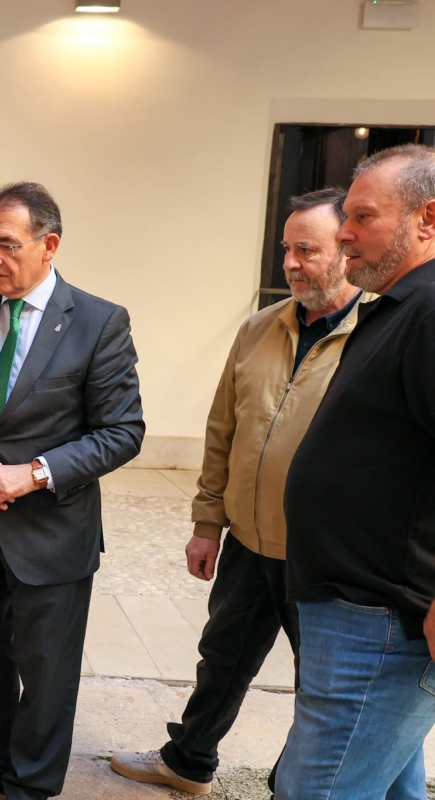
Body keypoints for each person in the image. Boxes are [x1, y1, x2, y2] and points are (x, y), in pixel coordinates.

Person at [110, 188, 364, 795]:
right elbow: (223, 428)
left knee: (321, 682)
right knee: (221, 658)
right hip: (249, 541)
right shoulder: (258, 329)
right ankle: (188, 761)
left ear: (346, 251)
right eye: (286, 250)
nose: (291, 263)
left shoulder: (374, 335)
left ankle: (293, 781)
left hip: (321, 554)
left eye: (307, 250)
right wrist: (206, 524)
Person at [0, 182, 144, 799]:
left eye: (8, 245)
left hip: (52, 531)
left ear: (49, 245)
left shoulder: (99, 322)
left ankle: (32, 786)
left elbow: (123, 432)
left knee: (46, 673)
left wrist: (36, 472)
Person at [277, 144, 435, 798]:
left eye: (363, 218)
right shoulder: (398, 306)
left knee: (317, 789)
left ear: (427, 219)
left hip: (380, 622)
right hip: (354, 611)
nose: (343, 231)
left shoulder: (430, 312)